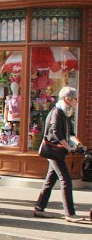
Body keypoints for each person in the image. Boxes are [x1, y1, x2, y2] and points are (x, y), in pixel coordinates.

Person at [34, 87, 87, 223]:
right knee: (66, 181)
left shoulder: (65, 113)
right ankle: (70, 213)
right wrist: (66, 145)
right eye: (75, 99)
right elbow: (56, 131)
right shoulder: (57, 112)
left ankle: (39, 208)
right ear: (67, 99)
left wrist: (79, 144)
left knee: (50, 180)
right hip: (53, 151)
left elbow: (71, 133)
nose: (77, 101)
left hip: (57, 151)